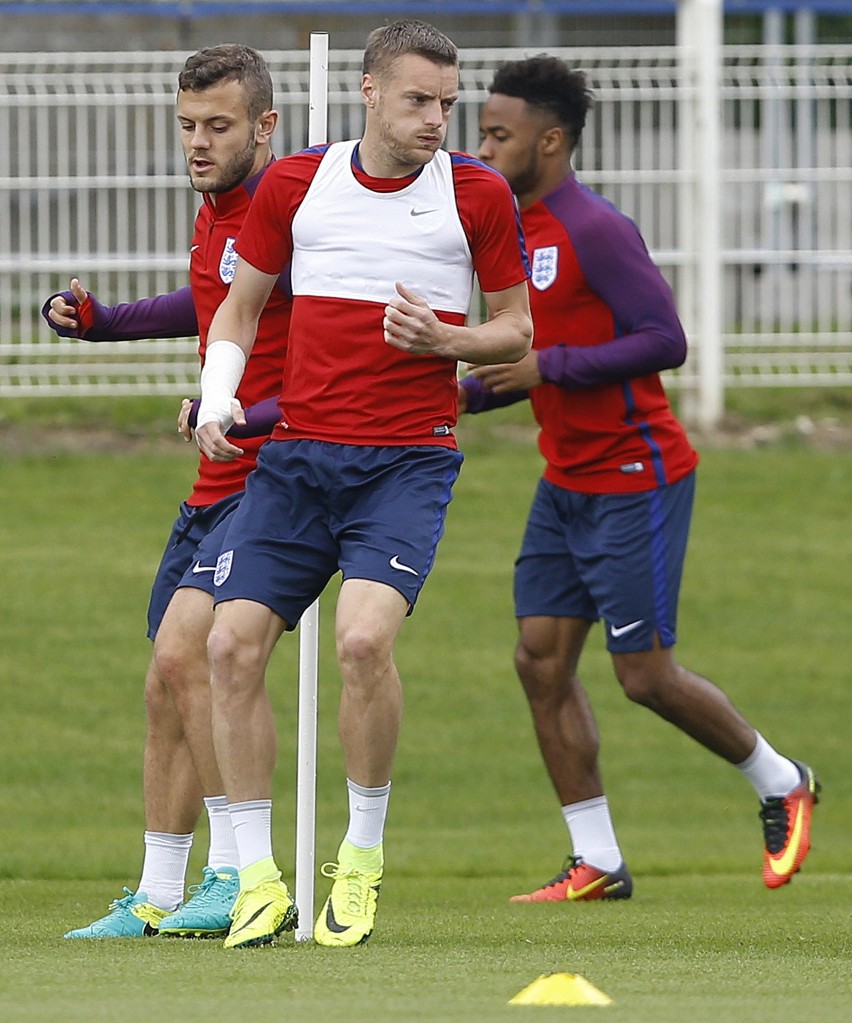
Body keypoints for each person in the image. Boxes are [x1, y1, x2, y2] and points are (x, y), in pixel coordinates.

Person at [193, 19, 531, 950]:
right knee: (229, 646)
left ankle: (363, 860)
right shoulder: (299, 184)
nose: (437, 121)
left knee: (363, 642)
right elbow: (242, 303)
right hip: (297, 459)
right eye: (419, 101)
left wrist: (447, 343)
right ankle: (258, 875)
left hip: (408, 460)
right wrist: (220, 396)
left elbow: (516, 331)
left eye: (448, 105)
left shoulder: (478, 195)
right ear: (371, 93)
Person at [462, 54, 819, 903]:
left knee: (644, 675)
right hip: (565, 481)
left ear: (549, 141)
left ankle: (780, 780)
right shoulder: (508, 230)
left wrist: (548, 365)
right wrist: (453, 394)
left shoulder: (595, 228)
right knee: (539, 662)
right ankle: (598, 860)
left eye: (497, 135)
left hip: (637, 474)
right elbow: (516, 364)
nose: (481, 148)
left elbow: (665, 340)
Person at [45, 44, 291, 938]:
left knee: (192, 657)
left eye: (218, 126)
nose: (197, 140)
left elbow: (328, 349)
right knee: (164, 681)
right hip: (214, 475)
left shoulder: (282, 206)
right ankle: (157, 890)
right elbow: (210, 299)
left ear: (265, 125)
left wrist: (245, 409)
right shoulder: (218, 208)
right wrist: (105, 324)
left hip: (270, 473)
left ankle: (235, 874)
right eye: (187, 124)